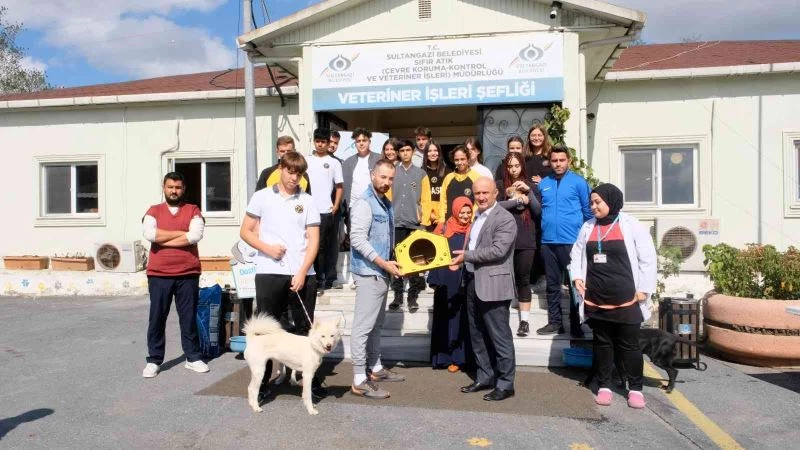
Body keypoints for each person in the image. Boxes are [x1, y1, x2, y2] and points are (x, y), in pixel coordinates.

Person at [239, 151, 322, 399]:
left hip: (301, 272)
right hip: (269, 272)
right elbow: (246, 231)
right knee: (267, 328)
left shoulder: (307, 201)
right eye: (290, 171)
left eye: (298, 173)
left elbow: (314, 239)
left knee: (305, 327)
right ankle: (262, 382)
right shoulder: (262, 196)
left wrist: (303, 271)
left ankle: (310, 379)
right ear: (280, 168)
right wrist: (267, 248)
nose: (294, 177)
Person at [570, 183, 656, 409]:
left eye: (597, 202)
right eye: (592, 202)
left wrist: (644, 289)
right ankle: (605, 385)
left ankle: (636, 388)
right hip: (596, 297)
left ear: (612, 201)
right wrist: (576, 276)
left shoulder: (631, 225)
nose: (593, 206)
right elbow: (576, 253)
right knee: (602, 344)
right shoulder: (588, 227)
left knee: (629, 346)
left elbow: (648, 259)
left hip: (627, 298)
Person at [449, 177, 517, 401]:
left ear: (496, 193)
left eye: (486, 193)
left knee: (500, 336)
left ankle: (506, 383)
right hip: (472, 281)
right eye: (477, 193)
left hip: (494, 285)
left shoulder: (505, 218)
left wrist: (465, 256)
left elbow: (497, 250)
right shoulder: (477, 216)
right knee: (476, 333)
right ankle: (485, 376)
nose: (481, 197)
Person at [141, 172, 209, 378]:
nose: (174, 191)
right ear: (164, 187)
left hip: (188, 273)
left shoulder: (193, 210)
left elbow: (195, 235)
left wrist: (163, 239)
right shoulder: (153, 211)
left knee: (188, 318)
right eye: (170, 186)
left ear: (183, 189)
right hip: (159, 274)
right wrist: (182, 235)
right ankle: (154, 360)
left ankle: (193, 357)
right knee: (157, 318)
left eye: (178, 187)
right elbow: (150, 234)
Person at [349, 159, 406, 399]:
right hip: (369, 272)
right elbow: (357, 239)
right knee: (363, 327)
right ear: (373, 175)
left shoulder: (384, 202)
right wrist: (383, 263)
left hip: (381, 271)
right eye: (382, 177)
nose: (386, 182)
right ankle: (359, 379)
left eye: (390, 178)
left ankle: (375, 367)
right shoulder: (365, 203)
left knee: (377, 324)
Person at [536, 145, 593, 337]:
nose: (558, 164)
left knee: (574, 285)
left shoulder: (578, 182)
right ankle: (555, 322)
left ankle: (576, 325)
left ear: (568, 160)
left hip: (572, 242)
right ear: (550, 162)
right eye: (554, 161)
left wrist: (586, 238)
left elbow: (588, 211)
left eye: (561, 160)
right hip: (548, 242)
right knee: (552, 285)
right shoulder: (544, 183)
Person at [496, 152, 541, 337]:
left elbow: (538, 211)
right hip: (505, 240)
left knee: (523, 279)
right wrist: (515, 200)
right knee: (505, 278)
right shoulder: (500, 185)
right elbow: (495, 207)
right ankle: (501, 318)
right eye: (510, 166)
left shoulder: (529, 186)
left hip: (526, 239)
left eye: (516, 165)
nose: (513, 169)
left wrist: (528, 193)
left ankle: (524, 321)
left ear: (522, 166)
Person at [428, 196, 473, 372]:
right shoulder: (442, 227)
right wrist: (433, 279)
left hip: (463, 279)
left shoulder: (473, 228)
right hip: (444, 280)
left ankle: (458, 358)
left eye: (468, 212)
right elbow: (432, 253)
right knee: (443, 317)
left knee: (460, 318)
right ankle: (442, 357)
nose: (465, 215)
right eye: (462, 212)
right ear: (455, 211)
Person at [388, 140, 431, 313]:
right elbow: (387, 197)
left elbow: (426, 200)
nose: (405, 153)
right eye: (402, 151)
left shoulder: (421, 174)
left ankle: (412, 296)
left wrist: (424, 222)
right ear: (398, 153)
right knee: (396, 258)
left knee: (416, 259)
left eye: (408, 150)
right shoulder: (392, 172)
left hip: (414, 223)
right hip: (396, 222)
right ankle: (398, 295)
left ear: (413, 151)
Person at [307, 128, 344, 295]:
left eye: (324, 142)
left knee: (324, 246)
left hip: (326, 210)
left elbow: (339, 186)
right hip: (309, 210)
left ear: (328, 143)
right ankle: (312, 277)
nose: (320, 144)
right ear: (314, 142)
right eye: (318, 141)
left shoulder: (334, 162)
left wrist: (336, 205)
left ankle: (323, 277)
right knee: (310, 245)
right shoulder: (306, 160)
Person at [436, 145, 480, 233]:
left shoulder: (476, 177)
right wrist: (441, 221)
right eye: (456, 160)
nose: (460, 162)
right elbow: (443, 202)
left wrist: (471, 220)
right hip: (449, 226)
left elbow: (478, 202)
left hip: (468, 226)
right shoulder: (448, 178)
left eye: (462, 159)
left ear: (468, 159)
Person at [342, 128, 382, 210]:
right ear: (355, 143)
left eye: (364, 140)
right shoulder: (348, 162)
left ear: (369, 142)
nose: (361, 143)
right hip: (353, 206)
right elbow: (343, 186)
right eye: (358, 141)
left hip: (374, 206)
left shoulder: (379, 159)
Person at [420, 139, 451, 232]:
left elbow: (448, 197)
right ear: (426, 153)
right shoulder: (421, 172)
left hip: (443, 216)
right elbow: (419, 198)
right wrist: (429, 214)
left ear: (439, 153)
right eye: (429, 151)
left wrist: (441, 216)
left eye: (435, 150)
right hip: (426, 217)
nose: (432, 153)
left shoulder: (448, 172)